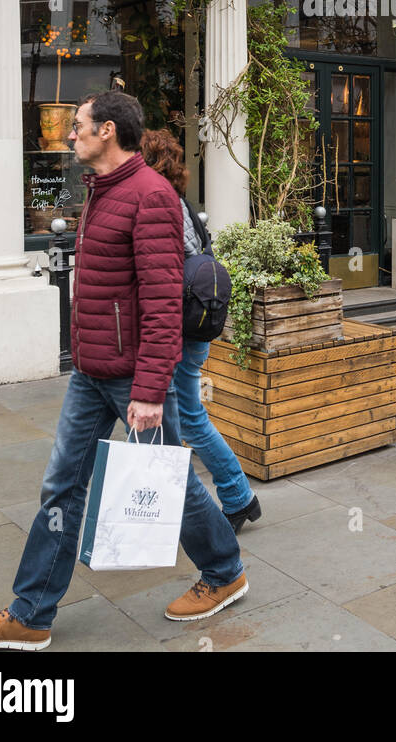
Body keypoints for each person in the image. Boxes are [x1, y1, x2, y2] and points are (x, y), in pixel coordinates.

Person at [0, 91, 247, 651]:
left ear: (107, 130)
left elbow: (162, 302)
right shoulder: (104, 192)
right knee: (62, 487)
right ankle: (31, 613)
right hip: (92, 372)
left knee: (170, 484)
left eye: (78, 126)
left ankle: (225, 571)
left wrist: (151, 390)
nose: (69, 135)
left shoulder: (150, 197)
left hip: (132, 376)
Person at [140, 128, 261, 533]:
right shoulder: (182, 205)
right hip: (191, 328)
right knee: (185, 420)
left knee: (180, 422)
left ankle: (226, 500)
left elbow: (164, 273)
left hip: (178, 331)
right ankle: (234, 498)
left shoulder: (162, 207)